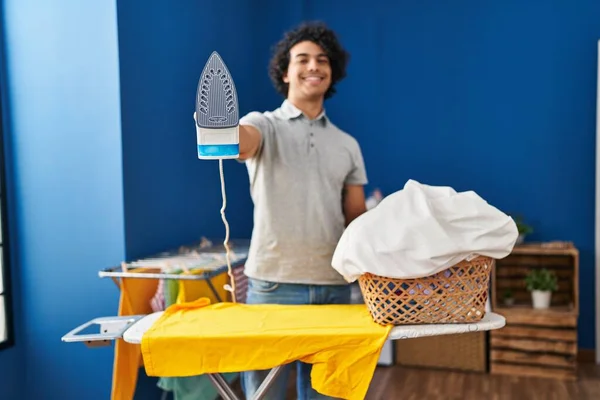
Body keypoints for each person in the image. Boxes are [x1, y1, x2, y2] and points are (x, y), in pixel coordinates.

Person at [237, 21, 368, 399]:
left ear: (333, 72)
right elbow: (244, 143)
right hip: (273, 285)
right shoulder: (264, 124)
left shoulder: (348, 145)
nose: (314, 66)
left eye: (322, 60)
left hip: (334, 288)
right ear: (285, 71)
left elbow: (356, 217)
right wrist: (223, 132)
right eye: (303, 59)